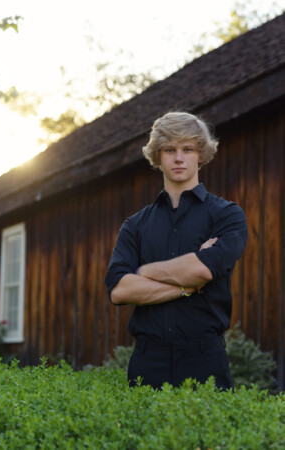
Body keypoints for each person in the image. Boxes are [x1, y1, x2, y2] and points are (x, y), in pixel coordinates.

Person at [104, 111, 248, 390]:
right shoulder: (135, 225)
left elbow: (202, 269)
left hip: (205, 357)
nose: (179, 158)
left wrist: (143, 271)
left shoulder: (226, 215)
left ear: (201, 155)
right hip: (148, 359)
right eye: (169, 149)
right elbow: (120, 291)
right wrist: (187, 287)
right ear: (158, 156)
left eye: (188, 149)